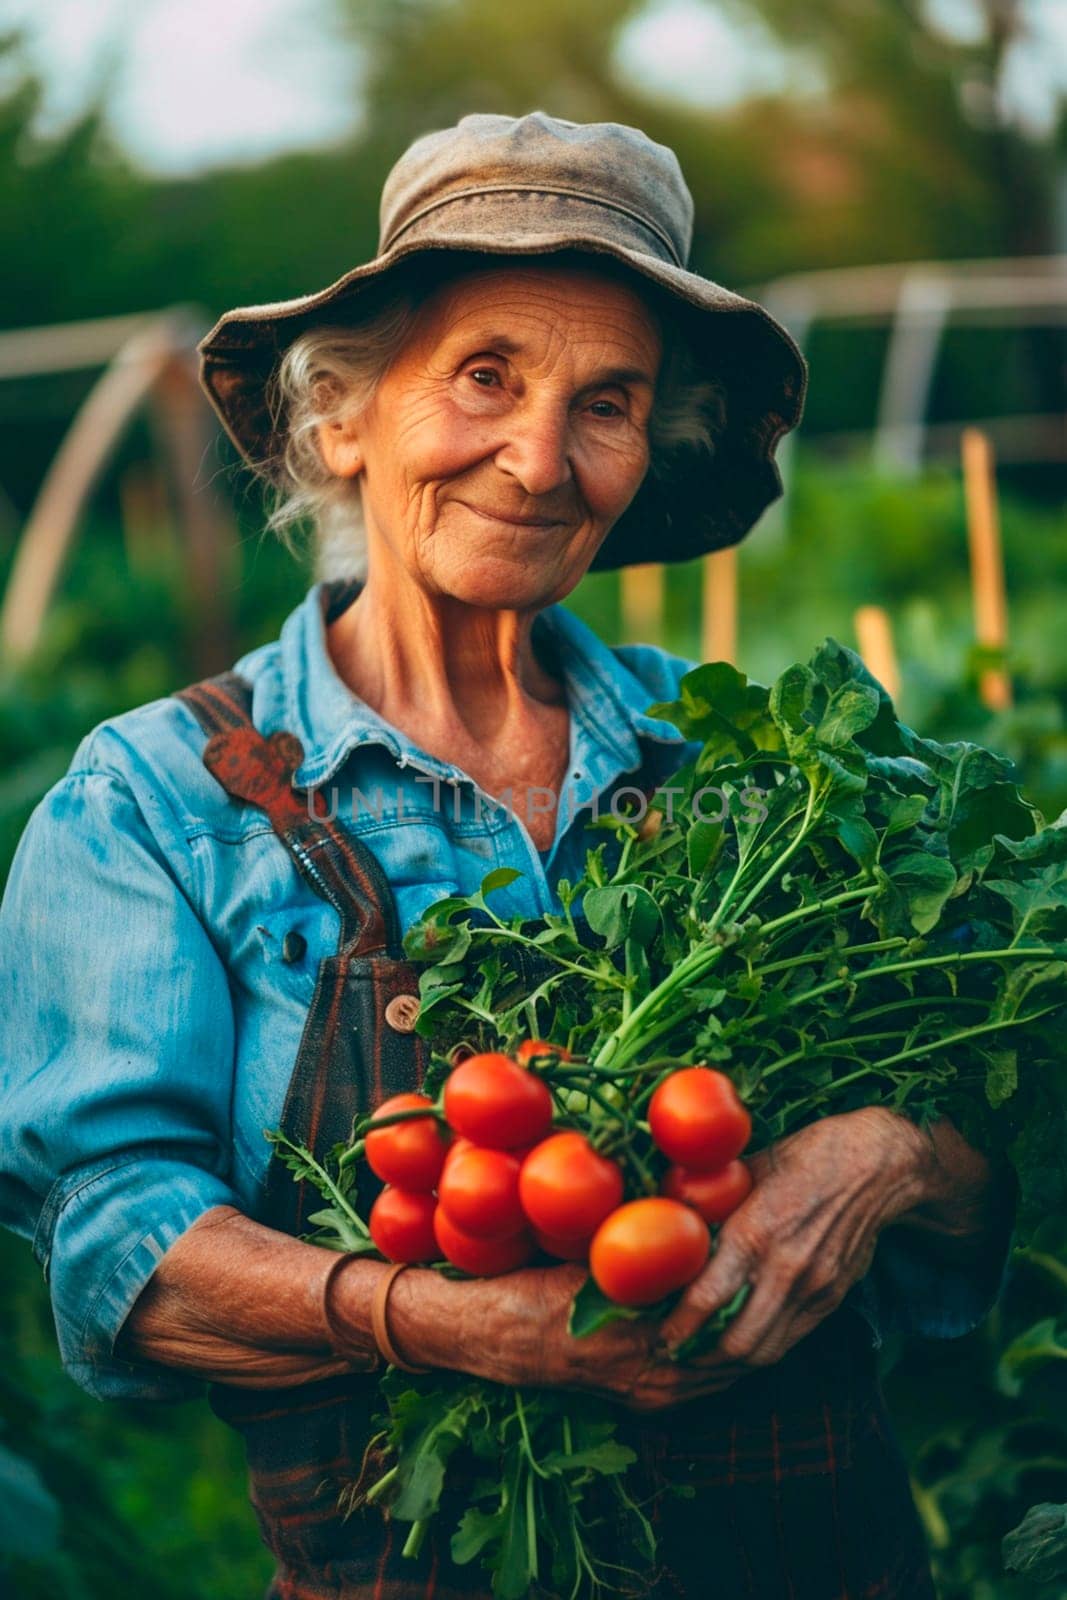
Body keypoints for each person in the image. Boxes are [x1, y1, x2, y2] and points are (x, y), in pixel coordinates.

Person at [0, 111, 1016, 1599]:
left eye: (607, 403)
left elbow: (1001, 1128)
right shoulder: (155, 803)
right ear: (343, 416)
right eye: (487, 375)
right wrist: (452, 1320)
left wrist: (891, 1154)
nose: (540, 460)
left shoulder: (763, 764)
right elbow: (119, 1252)